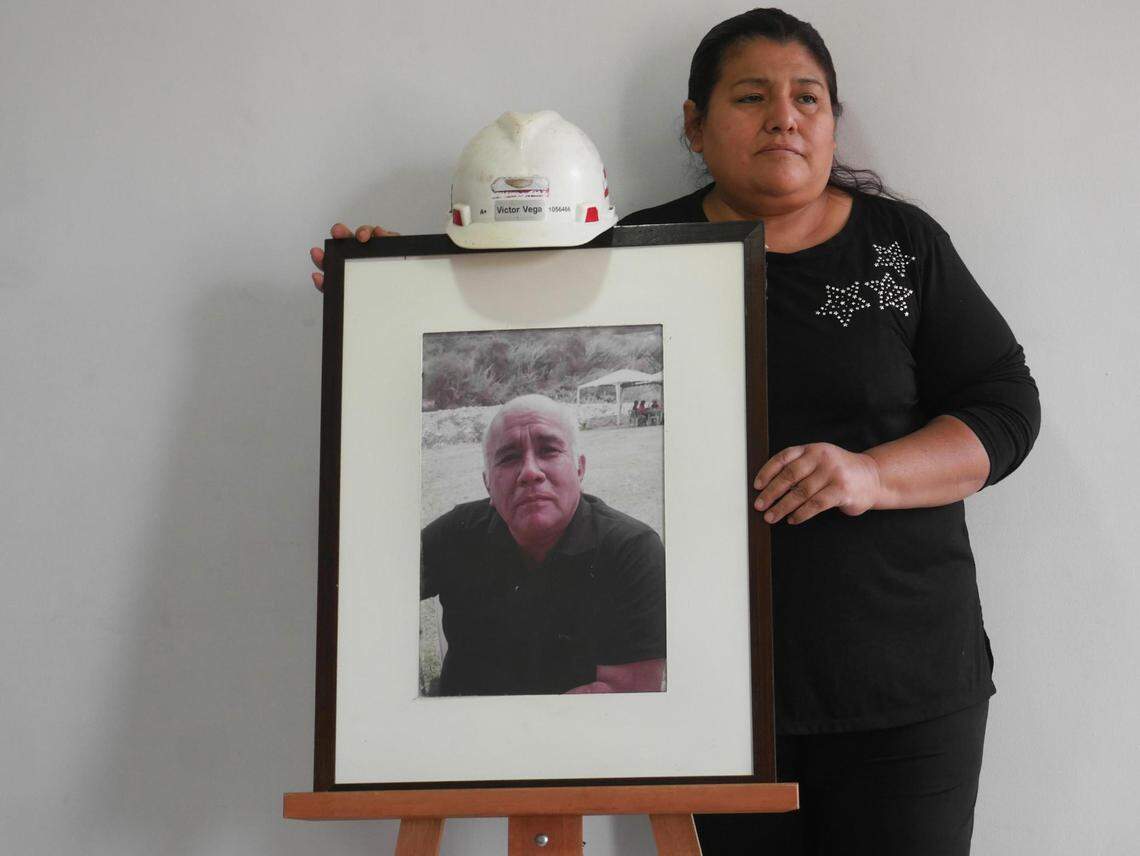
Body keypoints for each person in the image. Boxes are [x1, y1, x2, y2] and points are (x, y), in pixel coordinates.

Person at [309, 9, 1039, 852]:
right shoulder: (635, 254)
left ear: (833, 121)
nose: (784, 117)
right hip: (709, 709)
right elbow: (504, 313)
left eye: (808, 98)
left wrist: (871, 475)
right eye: (752, 97)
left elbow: (1005, 407)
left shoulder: (902, 247)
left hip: (906, 685)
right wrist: (387, 285)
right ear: (695, 124)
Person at [419, 394, 666, 697]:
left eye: (549, 450)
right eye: (508, 457)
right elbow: (376, 588)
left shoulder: (631, 550)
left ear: (579, 469)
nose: (530, 472)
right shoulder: (457, 532)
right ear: (488, 484)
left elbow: (627, 693)